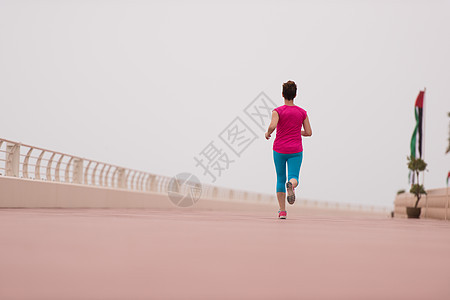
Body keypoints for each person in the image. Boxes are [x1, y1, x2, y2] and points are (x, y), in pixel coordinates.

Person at [265, 80, 312, 219]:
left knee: (280, 178)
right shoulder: (302, 112)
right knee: (294, 176)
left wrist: (268, 133)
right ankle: (291, 184)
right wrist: (297, 132)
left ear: (282, 94)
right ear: (295, 94)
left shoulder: (277, 111)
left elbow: (273, 125)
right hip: (295, 150)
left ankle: (282, 211)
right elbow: (309, 132)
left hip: (279, 149)